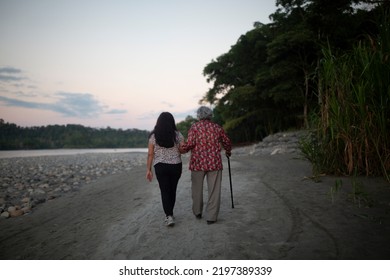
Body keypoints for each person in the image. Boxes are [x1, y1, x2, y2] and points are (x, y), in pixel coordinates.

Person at [180, 106, 232, 224]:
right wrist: (228, 151)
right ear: (210, 115)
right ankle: (211, 217)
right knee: (214, 190)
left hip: (198, 163)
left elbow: (190, 144)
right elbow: (227, 141)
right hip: (214, 162)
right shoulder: (217, 127)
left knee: (196, 189)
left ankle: (198, 212)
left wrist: (183, 148)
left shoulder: (194, 127)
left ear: (199, 115)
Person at [146, 112, 185, 226]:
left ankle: (169, 215)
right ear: (172, 122)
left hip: (160, 166)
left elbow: (150, 154)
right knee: (172, 190)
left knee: (164, 190)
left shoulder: (153, 136)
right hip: (176, 165)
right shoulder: (177, 135)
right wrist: (183, 148)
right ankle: (170, 213)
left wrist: (148, 170)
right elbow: (183, 150)